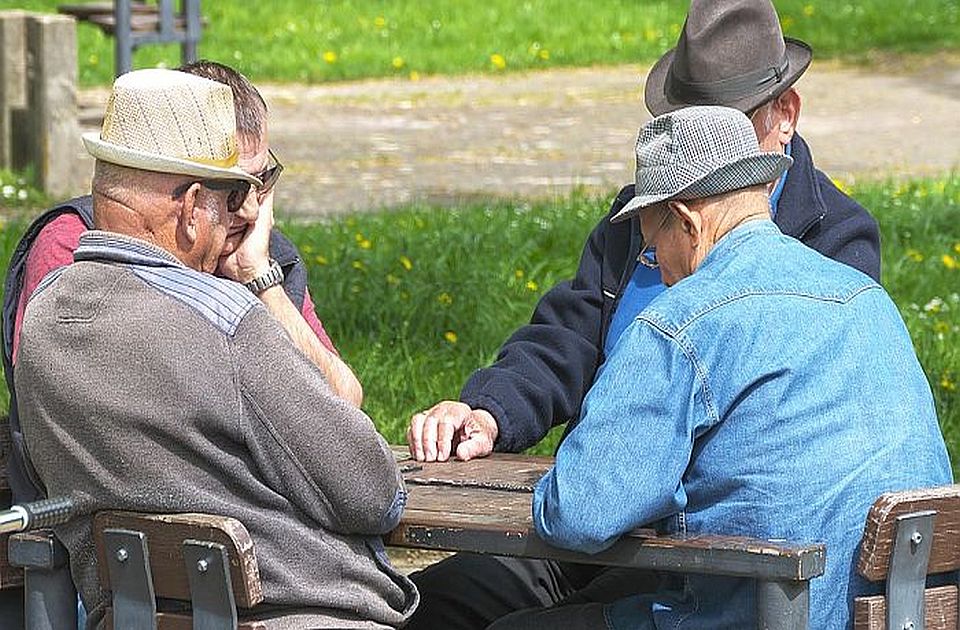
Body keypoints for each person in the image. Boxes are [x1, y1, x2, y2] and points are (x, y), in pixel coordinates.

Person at [405, 1, 882, 627]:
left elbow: (797, 451)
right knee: (430, 603)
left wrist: (613, 480)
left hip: (716, 547)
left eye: (723, 124)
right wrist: (492, 410)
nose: (697, 148)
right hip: (619, 512)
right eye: (684, 123)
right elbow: (570, 330)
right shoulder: (651, 213)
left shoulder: (831, 243)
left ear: (784, 115)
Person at [491, 105, 952, 628]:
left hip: (762, 613)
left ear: (687, 223)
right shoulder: (867, 300)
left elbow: (578, 513)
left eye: (651, 246)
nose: (655, 266)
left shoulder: (681, 324)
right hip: (900, 614)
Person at [14, 68, 417, 628]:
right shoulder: (227, 322)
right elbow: (373, 490)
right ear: (192, 206)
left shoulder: (42, 319)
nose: (248, 215)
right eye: (233, 197)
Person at [2, 60, 361, 505]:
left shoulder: (260, 256)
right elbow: (94, 422)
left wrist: (260, 282)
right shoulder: (73, 250)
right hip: (123, 538)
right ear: (191, 196)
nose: (248, 210)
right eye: (232, 189)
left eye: (262, 182)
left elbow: (344, 421)